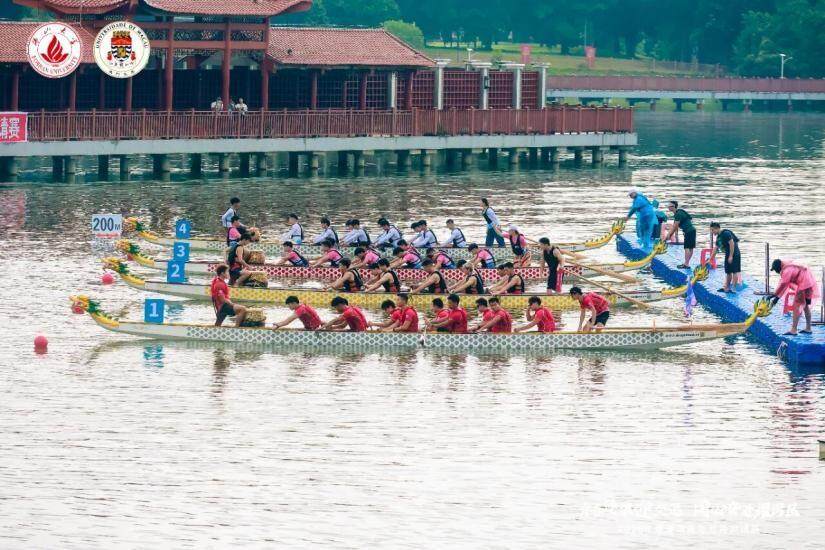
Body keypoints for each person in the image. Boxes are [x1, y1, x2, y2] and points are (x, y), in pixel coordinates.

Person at [768, 259, 819, 335]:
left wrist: (774, 295)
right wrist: (776, 298)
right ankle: (808, 328)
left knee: (796, 306)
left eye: (776, 270)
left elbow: (783, 285)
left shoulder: (786, 270)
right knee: (805, 306)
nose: (776, 272)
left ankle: (793, 330)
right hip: (809, 282)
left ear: (780, 266)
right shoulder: (789, 265)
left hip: (804, 284)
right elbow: (784, 285)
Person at [663, 201, 697, 269]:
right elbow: (689, 218)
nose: (668, 207)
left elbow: (675, 226)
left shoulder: (678, 214)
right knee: (690, 247)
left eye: (670, 206)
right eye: (668, 206)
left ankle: (686, 264)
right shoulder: (680, 211)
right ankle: (686, 263)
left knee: (687, 247)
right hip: (692, 230)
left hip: (688, 231)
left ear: (674, 207)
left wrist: (668, 236)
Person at [710, 222, 742, 293]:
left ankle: (733, 288)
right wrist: (710, 259)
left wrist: (731, 256)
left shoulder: (726, 233)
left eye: (712, 230)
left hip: (735, 253)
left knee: (735, 271)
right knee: (728, 272)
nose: (712, 232)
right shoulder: (719, 237)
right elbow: (715, 248)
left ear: (717, 228)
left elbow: (732, 243)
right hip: (728, 253)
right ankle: (726, 288)